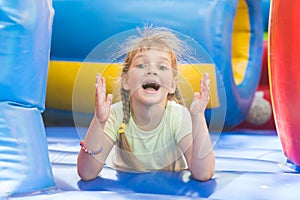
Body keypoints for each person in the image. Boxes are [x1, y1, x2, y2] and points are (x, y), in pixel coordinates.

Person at [77, 26, 215, 182]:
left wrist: (198, 118)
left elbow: (203, 173)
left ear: (172, 85)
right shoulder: (116, 115)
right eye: (141, 65)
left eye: (162, 67)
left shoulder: (178, 116)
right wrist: (99, 121)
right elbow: (86, 173)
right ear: (126, 81)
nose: (151, 71)